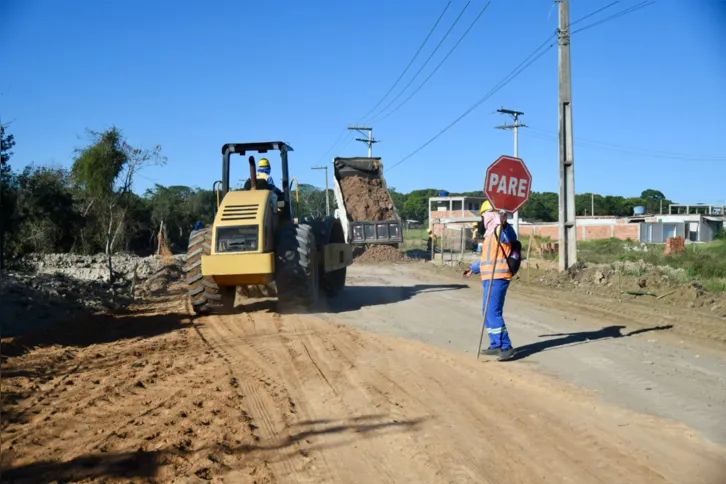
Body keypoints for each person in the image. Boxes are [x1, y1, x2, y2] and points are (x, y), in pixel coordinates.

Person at [463, 201, 518, 361]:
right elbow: (487, 259)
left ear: (490, 214)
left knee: (493, 312)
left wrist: (504, 223)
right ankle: (496, 344)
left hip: (498, 277)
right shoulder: (489, 235)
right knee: (487, 312)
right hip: (488, 277)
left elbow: (510, 236)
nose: (482, 219)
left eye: (483, 215)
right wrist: (473, 269)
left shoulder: (500, 231)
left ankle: (506, 347)